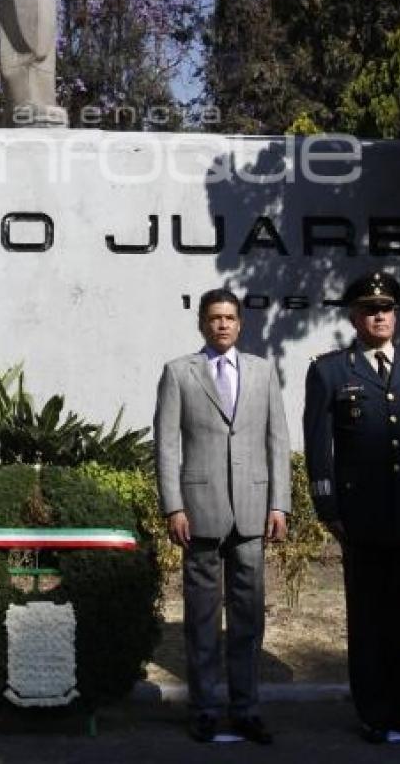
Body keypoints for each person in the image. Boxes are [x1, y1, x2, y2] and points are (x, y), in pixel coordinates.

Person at [303, 271, 400, 744]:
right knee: (367, 617)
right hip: (361, 516)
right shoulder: (331, 370)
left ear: (396, 314)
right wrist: (328, 507)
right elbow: (317, 445)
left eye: (386, 308)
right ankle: (373, 711)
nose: (380, 316)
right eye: (370, 310)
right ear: (354, 318)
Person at [154, 287, 290, 744]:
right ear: (202, 323)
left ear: (240, 323)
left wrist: (279, 503)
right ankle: (206, 708)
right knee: (202, 619)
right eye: (215, 318)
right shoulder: (179, 373)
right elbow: (167, 444)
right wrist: (173, 505)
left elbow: (277, 440)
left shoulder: (262, 371)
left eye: (230, 317)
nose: (223, 325)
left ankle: (247, 709)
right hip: (200, 512)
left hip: (253, 513)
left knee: (249, 619)